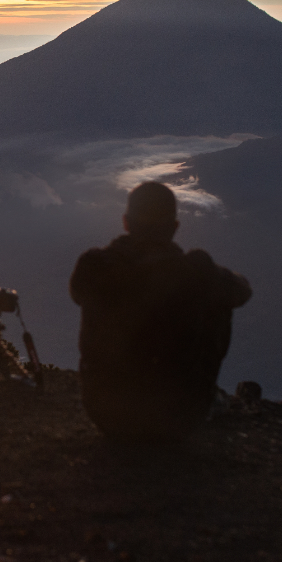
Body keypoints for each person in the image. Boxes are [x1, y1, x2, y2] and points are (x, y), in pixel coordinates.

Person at [70, 182, 252, 441]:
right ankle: (205, 395)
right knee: (219, 303)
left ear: (126, 222)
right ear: (175, 227)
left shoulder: (94, 266)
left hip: (106, 414)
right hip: (177, 418)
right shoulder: (196, 273)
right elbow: (242, 292)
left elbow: (77, 296)